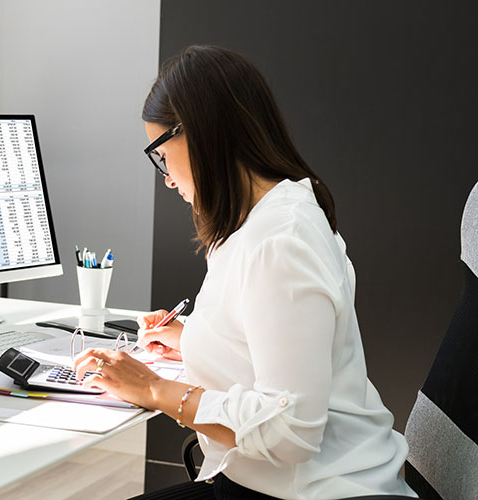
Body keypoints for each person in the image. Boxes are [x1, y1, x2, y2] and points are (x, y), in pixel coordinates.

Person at [73, 45, 417, 499]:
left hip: (318, 491)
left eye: (160, 153)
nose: (168, 178)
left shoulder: (281, 242)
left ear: (197, 135)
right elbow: (281, 341)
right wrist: (194, 337)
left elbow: (288, 431)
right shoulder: (269, 216)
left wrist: (155, 389)